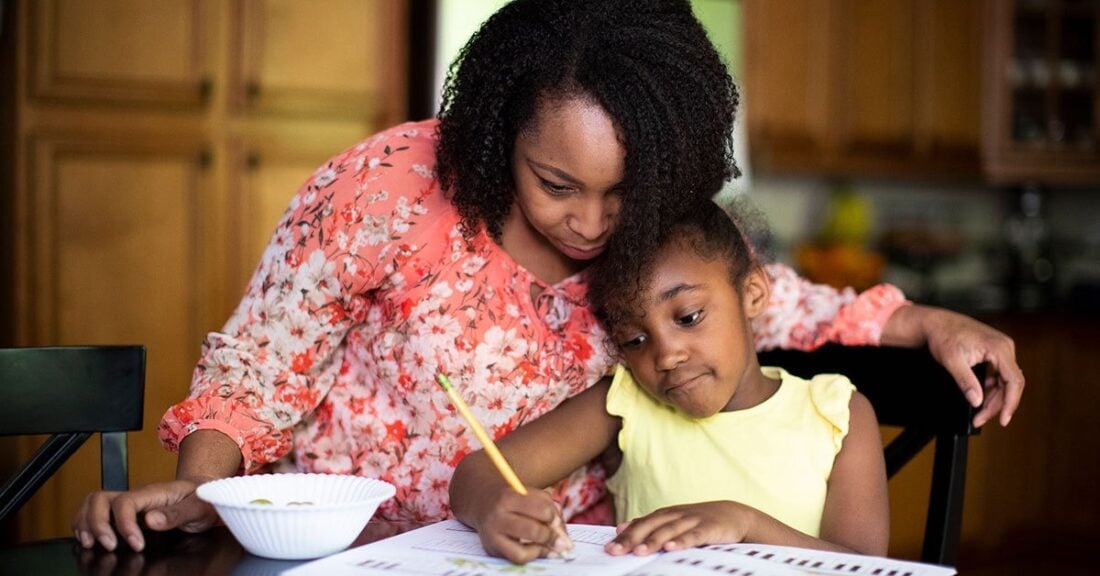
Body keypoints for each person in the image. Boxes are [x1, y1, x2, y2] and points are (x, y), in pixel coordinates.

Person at [72, 0, 1022, 553]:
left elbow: (761, 300)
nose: (593, 223)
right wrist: (200, 489)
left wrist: (924, 322)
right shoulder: (388, 188)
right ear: (498, 131)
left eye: (624, 192)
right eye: (556, 184)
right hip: (347, 558)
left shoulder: (649, 237)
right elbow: (258, 368)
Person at [449, 199, 889, 564]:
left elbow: (865, 566)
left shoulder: (837, 413)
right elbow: (476, 473)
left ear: (752, 294)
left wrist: (745, 525)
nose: (666, 354)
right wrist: (493, 509)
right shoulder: (626, 404)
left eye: (689, 317)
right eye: (635, 339)